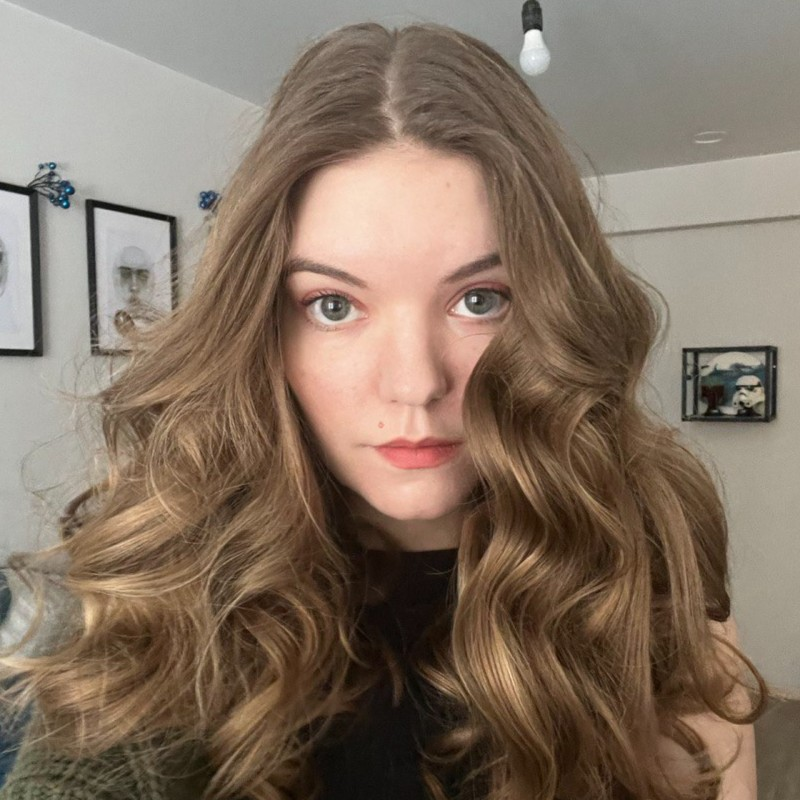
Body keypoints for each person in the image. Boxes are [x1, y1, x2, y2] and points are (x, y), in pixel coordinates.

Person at [0, 20, 769, 800]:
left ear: (554, 313)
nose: (414, 383)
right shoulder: (168, 575)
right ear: (263, 327)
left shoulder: (647, 549)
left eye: (481, 300)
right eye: (333, 305)